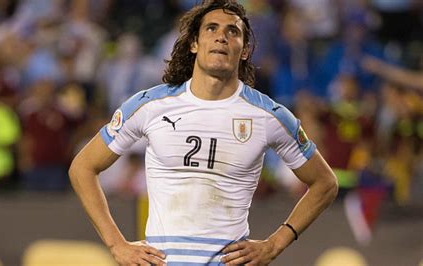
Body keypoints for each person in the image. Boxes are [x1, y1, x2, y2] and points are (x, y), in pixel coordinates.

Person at [69, 0, 338, 265]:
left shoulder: (269, 116)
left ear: (244, 50)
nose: (221, 36)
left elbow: (325, 183)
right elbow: (82, 168)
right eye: (211, 28)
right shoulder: (148, 106)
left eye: (232, 31)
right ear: (194, 44)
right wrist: (116, 245)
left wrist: (276, 243)